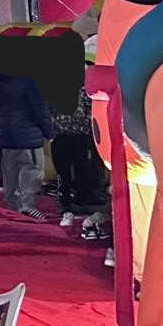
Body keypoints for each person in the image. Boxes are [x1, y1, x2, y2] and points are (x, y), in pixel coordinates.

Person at [0, 68, 55, 220]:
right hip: (29, 136)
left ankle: (12, 208)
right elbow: (40, 110)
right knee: (32, 171)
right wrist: (49, 132)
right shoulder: (29, 81)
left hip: (6, 136)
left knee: (9, 174)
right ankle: (27, 206)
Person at [51, 85, 102, 225]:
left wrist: (86, 124)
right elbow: (48, 109)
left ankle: (83, 198)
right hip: (61, 135)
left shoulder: (84, 88)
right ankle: (64, 201)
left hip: (81, 135)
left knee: (83, 168)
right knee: (62, 170)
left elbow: (91, 107)